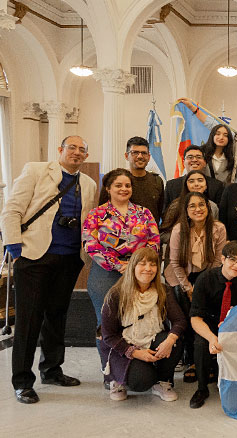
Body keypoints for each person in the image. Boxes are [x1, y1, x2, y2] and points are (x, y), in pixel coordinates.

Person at [0, 135, 97, 404]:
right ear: (60, 150)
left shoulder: (88, 184)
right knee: (29, 321)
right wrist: (16, 252)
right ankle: (22, 381)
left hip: (68, 260)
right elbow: (11, 212)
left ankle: (52, 370)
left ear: (86, 156)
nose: (77, 153)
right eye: (72, 148)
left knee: (57, 317)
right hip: (34, 257)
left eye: (82, 150)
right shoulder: (36, 170)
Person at [83, 168, 160, 355]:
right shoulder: (96, 214)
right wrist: (118, 265)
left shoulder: (144, 213)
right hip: (105, 273)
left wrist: (134, 265)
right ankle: (110, 372)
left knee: (135, 319)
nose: (124, 189)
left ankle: (133, 366)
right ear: (108, 188)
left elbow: (154, 241)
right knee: (106, 322)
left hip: (140, 273)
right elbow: (90, 244)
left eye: (127, 185)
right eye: (118, 185)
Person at [100, 247, 185, 402]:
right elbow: (108, 336)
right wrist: (135, 353)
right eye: (142, 264)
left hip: (152, 338)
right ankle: (117, 381)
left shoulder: (163, 291)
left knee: (176, 341)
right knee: (141, 381)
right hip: (124, 344)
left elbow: (179, 320)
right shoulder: (116, 294)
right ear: (133, 267)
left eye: (153, 264)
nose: (148, 269)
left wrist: (169, 341)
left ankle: (162, 381)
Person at [164, 191, 227, 383]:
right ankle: (191, 361)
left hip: (208, 278)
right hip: (182, 278)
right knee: (189, 319)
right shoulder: (178, 230)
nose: (198, 209)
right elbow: (175, 263)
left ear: (208, 208)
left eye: (202, 205)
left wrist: (202, 288)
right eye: (192, 206)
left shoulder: (218, 228)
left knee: (208, 318)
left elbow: (218, 261)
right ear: (186, 210)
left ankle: (209, 359)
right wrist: (188, 288)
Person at [189, 241, 237, 409]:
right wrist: (212, 338)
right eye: (233, 259)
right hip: (208, 324)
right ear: (222, 258)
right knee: (201, 344)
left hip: (235, 326)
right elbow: (195, 318)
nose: (236, 265)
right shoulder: (205, 279)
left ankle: (236, 382)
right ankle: (202, 388)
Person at [164, 145, 225, 213]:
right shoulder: (171, 186)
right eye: (190, 157)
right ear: (184, 162)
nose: (194, 160)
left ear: (205, 162)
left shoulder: (217, 186)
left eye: (198, 157)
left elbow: (220, 214)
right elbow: (165, 213)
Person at [161, 170, 220, 237]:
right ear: (186, 185)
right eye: (191, 181)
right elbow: (163, 234)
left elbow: (215, 231)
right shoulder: (176, 205)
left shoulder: (213, 206)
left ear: (206, 185)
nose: (196, 184)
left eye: (200, 180)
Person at [125, 136, 165, 224]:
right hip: (123, 235)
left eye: (144, 153)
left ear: (149, 157)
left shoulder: (157, 181)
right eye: (135, 153)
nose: (140, 156)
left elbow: (160, 211)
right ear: (126, 156)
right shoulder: (117, 181)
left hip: (151, 235)